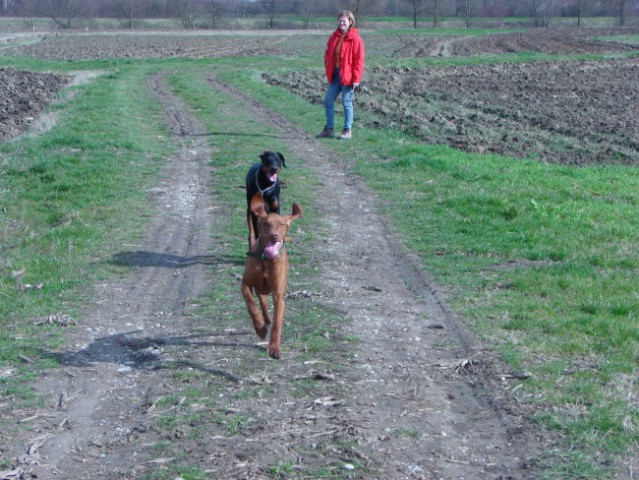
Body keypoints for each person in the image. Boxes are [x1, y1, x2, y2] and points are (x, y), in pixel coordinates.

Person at [316, 10, 365, 141]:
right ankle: (329, 129)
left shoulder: (355, 39)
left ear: (350, 22)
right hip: (335, 74)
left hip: (348, 76)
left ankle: (347, 130)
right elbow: (328, 51)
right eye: (340, 20)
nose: (342, 23)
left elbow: (359, 61)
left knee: (346, 102)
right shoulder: (334, 36)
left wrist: (356, 79)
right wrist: (327, 61)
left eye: (344, 21)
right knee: (328, 100)